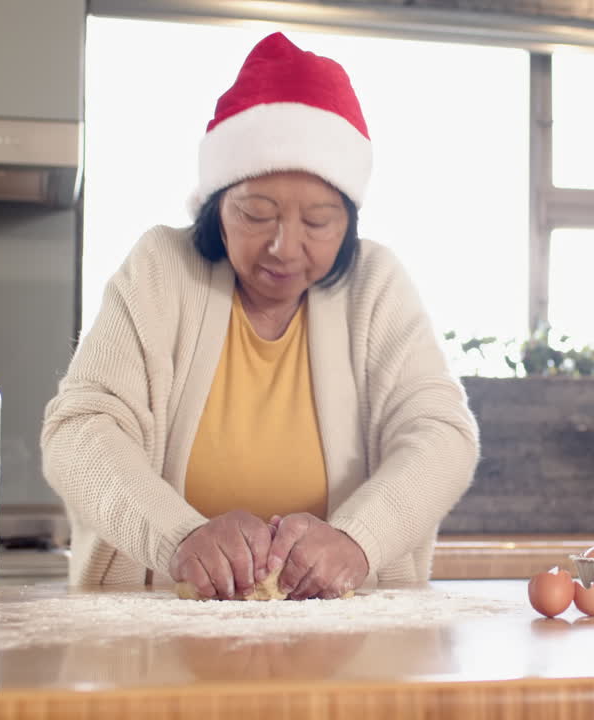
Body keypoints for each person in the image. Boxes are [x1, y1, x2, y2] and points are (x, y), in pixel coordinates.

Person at [41, 32, 479, 601]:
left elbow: (440, 434)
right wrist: (181, 538)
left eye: (318, 222)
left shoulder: (378, 284)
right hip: (158, 628)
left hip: (348, 633)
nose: (283, 247)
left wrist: (357, 540)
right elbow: (79, 431)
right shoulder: (160, 268)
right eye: (256, 213)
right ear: (216, 204)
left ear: (349, 222)